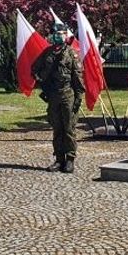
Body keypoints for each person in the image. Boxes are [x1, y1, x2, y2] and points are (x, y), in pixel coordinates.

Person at [31, 22, 85, 174]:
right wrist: (42, 83)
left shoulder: (71, 53)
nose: (58, 36)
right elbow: (34, 69)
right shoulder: (47, 53)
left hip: (68, 94)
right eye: (55, 34)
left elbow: (78, 77)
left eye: (60, 34)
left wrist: (79, 97)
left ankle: (70, 160)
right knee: (57, 129)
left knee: (69, 128)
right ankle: (59, 159)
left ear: (65, 35)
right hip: (53, 95)